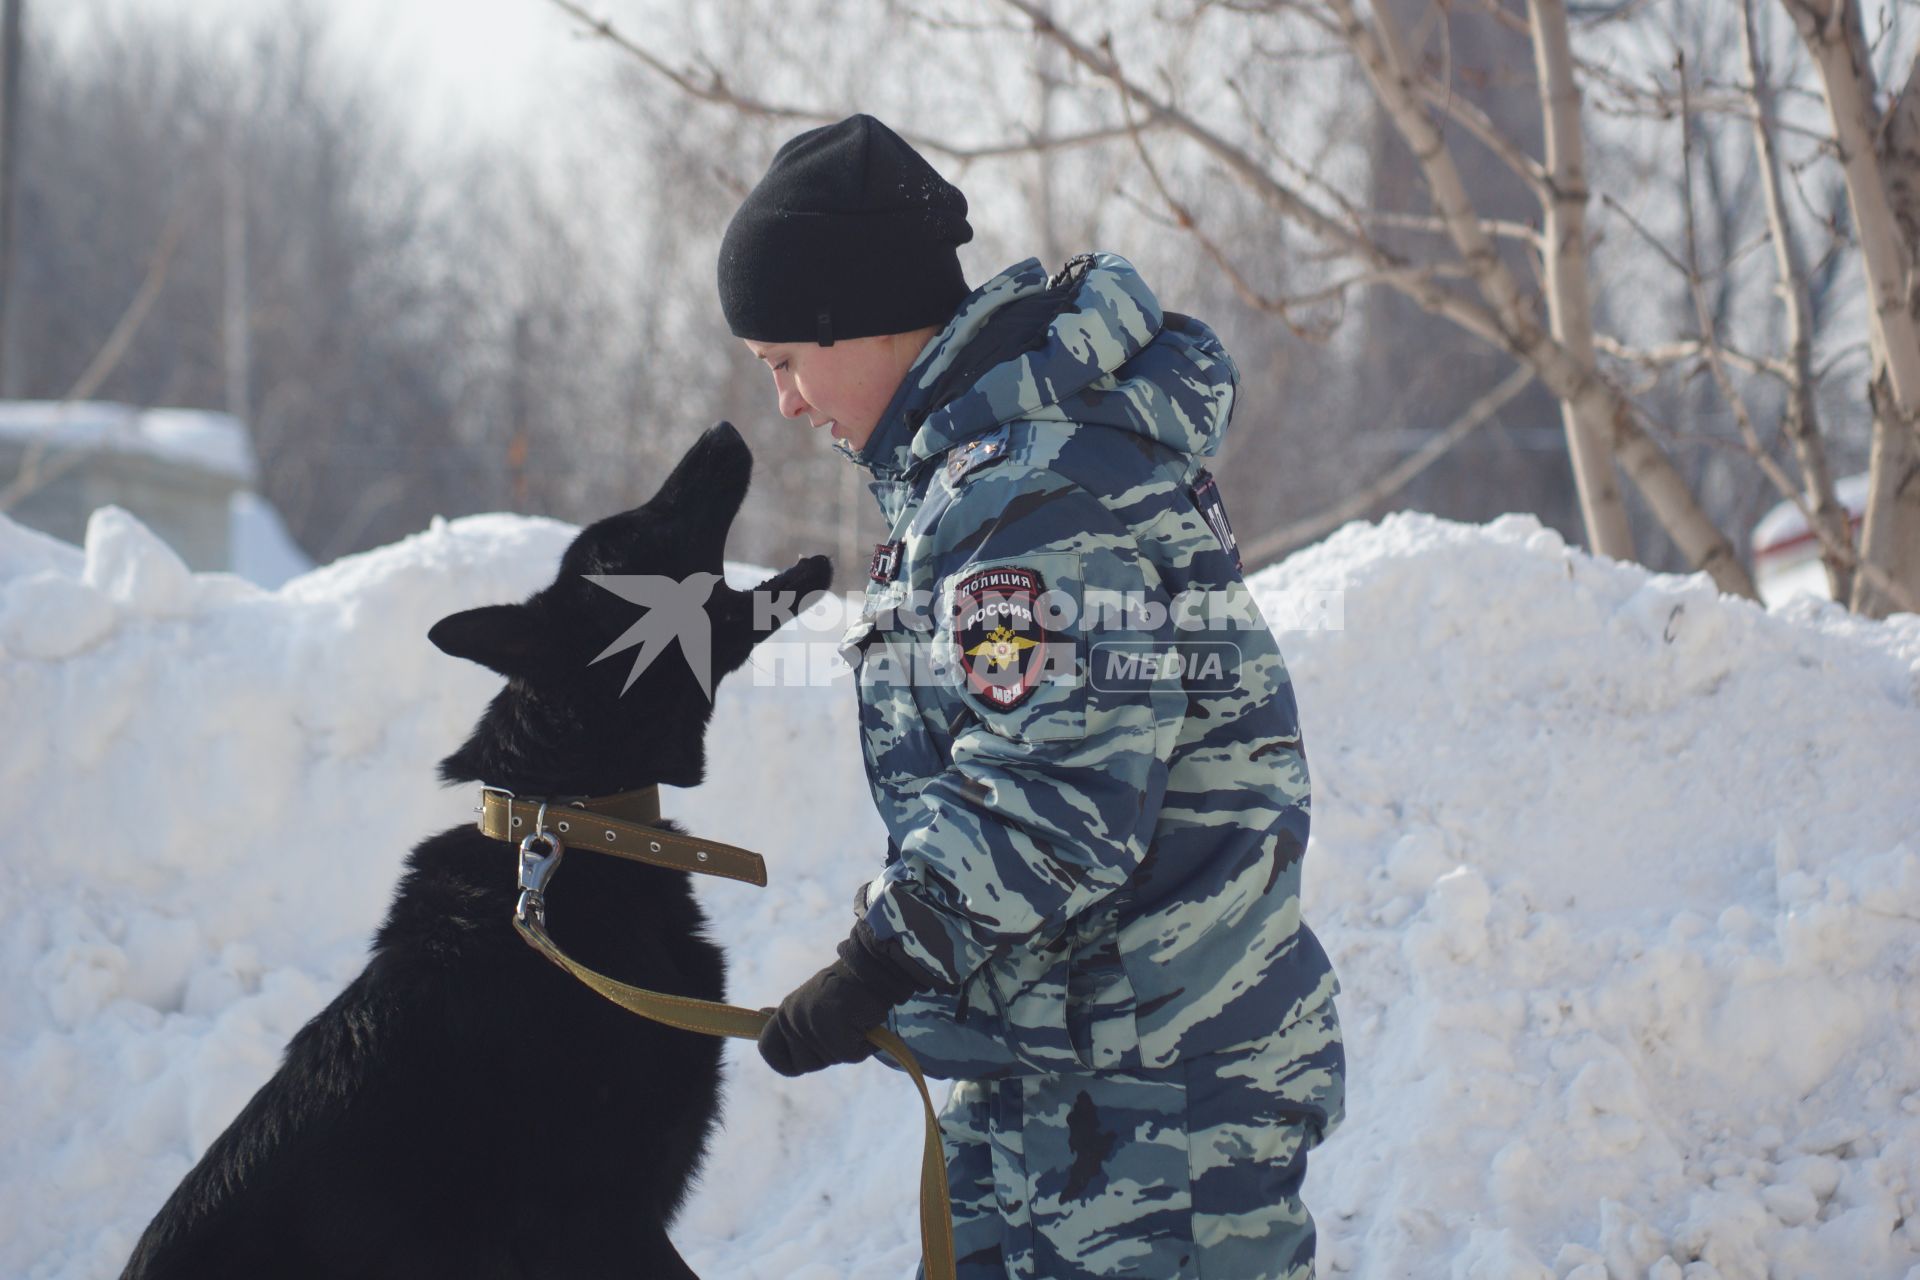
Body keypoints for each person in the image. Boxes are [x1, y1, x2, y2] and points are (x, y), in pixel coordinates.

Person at [717, 113, 1345, 1280]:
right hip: (1058, 1063)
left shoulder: (1031, 491)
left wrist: (878, 961)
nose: (790, 404)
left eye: (786, 364)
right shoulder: (988, 471)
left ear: (853, 320)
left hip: (1157, 1093)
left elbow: (1058, 788)